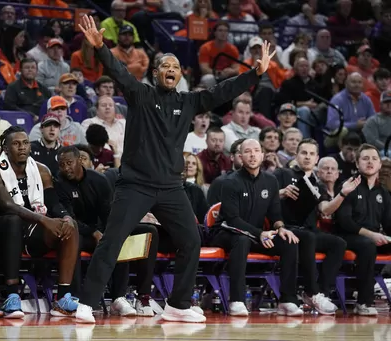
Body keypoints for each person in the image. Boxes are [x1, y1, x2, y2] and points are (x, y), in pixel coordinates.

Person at [75, 15, 275, 323]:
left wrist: (254, 74)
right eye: (165, 67)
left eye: (175, 68)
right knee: (113, 240)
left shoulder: (190, 101)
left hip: (171, 187)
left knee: (191, 240)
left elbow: (221, 91)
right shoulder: (141, 95)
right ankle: (86, 303)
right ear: (155, 73)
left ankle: (178, 304)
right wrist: (101, 48)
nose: (171, 70)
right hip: (135, 185)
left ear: (180, 76)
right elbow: (119, 73)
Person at [0, 126, 80, 317]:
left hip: (33, 228)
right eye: (16, 144)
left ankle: (62, 298)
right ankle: (12, 295)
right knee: (13, 220)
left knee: (70, 226)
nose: (22, 147)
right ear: (5, 148)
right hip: (1, 228)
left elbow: (53, 202)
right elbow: (7, 205)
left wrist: (65, 216)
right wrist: (44, 220)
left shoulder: (41, 170)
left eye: (25, 143)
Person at [56, 146, 159, 316]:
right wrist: (93, 232)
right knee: (74, 239)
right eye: (62, 165)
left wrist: (110, 233)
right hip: (78, 232)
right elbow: (69, 218)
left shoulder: (98, 180)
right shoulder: (59, 183)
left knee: (138, 233)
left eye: (69, 163)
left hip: (101, 229)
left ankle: (127, 297)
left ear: (80, 161)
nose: (66, 168)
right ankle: (74, 297)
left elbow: (108, 213)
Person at [211, 139, 302, 316]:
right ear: (240, 156)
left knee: (289, 242)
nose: (252, 155)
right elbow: (233, 219)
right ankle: (236, 300)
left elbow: (275, 214)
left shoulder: (271, 181)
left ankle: (287, 300)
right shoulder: (229, 182)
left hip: (257, 235)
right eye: (247, 151)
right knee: (242, 239)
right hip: (226, 232)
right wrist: (260, 233)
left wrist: (281, 228)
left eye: (256, 151)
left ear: (262, 155)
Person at [274, 138, 360, 315]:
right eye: (304, 153)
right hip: (286, 228)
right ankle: (311, 291)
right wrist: (281, 193)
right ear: (296, 155)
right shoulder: (282, 174)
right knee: (308, 237)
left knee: (338, 243)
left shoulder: (316, 183)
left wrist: (342, 193)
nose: (307, 157)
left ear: (316, 158)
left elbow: (326, 209)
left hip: (309, 230)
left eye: (312, 154)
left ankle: (321, 292)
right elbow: (264, 197)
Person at [335, 143, 391, 316]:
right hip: (347, 236)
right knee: (367, 245)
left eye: (374, 158)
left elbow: (388, 223)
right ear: (357, 164)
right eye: (365, 158)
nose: (370, 162)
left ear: (380, 164)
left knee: (371, 243)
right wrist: (372, 235)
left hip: (373, 237)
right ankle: (364, 302)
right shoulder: (348, 186)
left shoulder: (383, 192)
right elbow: (344, 221)